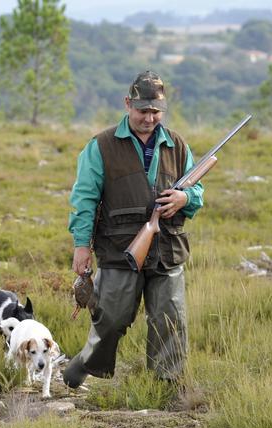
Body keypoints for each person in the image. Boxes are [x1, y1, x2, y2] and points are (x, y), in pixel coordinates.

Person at [64, 71, 204, 388]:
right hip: (119, 248)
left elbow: (198, 194)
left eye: (156, 112)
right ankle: (85, 363)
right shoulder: (101, 146)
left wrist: (185, 197)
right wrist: (81, 245)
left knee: (169, 319)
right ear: (128, 104)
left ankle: (166, 383)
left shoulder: (178, 145)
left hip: (168, 248)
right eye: (143, 111)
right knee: (111, 318)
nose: (149, 118)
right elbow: (84, 198)